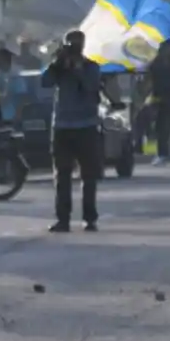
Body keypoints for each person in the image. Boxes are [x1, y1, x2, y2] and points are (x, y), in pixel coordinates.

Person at [41, 30, 101, 233]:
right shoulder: (59, 67)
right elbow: (45, 82)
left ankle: (89, 218)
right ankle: (62, 219)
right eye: (70, 44)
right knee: (62, 175)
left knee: (89, 175)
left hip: (86, 125)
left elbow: (91, 87)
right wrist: (56, 64)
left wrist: (77, 70)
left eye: (76, 44)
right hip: (62, 127)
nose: (73, 48)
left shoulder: (91, 67)